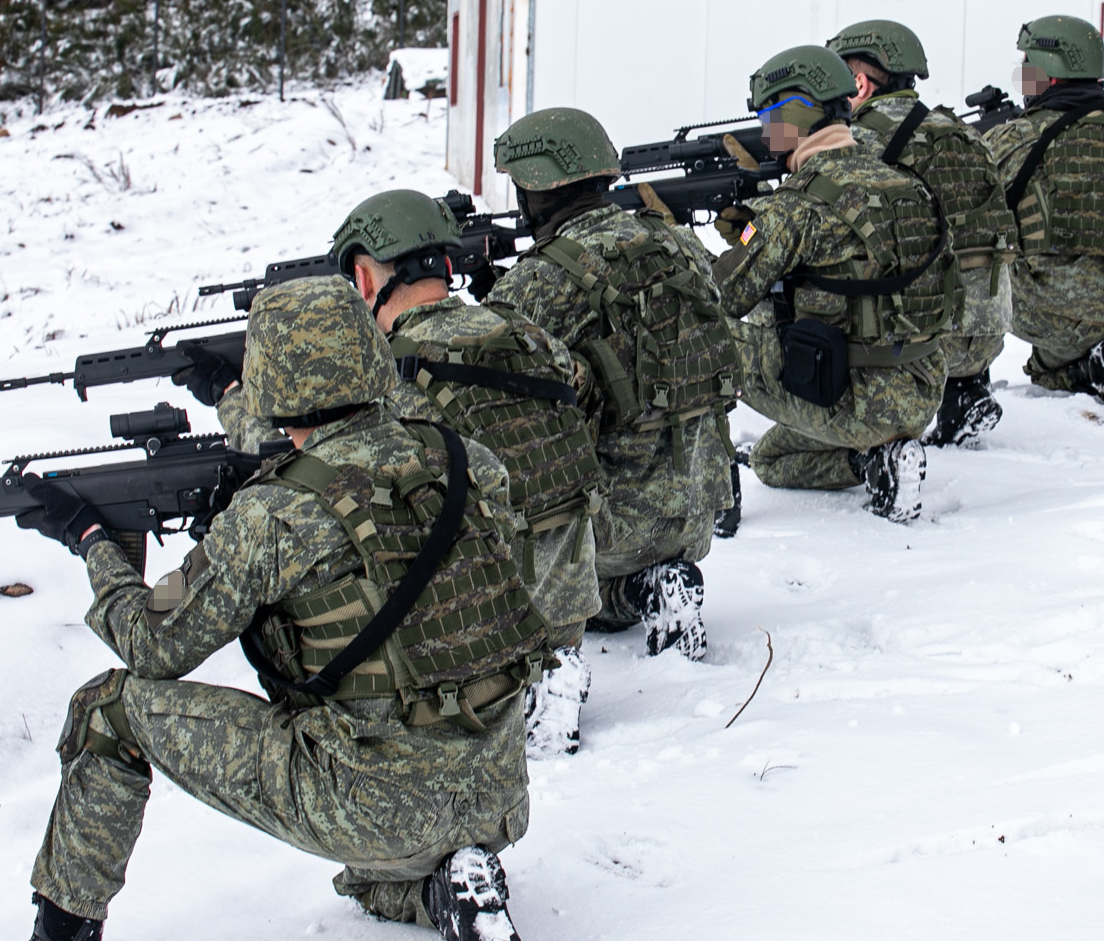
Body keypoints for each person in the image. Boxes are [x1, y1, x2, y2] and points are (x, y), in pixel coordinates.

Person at [0, 276, 548, 941]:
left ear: (270, 379)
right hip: (494, 785)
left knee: (111, 710)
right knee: (365, 881)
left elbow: (150, 641)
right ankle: (457, 881)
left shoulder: (270, 517)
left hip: (371, 798)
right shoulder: (468, 461)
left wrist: (93, 541)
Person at [330, 188, 606, 757]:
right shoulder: (522, 330)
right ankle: (555, 661)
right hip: (568, 590)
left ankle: (498, 684)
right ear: (448, 265)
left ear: (363, 280)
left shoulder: (383, 375)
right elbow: (578, 381)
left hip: (478, 620)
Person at [490, 108, 739, 662]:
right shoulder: (678, 244)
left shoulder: (536, 282)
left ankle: (625, 594)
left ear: (537, 189)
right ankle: (651, 587)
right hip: (698, 511)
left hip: (610, 529)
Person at [713, 45, 953, 523]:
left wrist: (673, 235)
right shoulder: (904, 181)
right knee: (770, 461)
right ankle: (879, 461)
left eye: (768, 116)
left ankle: (711, 490)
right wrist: (748, 228)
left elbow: (719, 297)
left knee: (701, 333)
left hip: (853, 397)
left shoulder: (795, 207)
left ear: (797, 112)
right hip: (921, 388)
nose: (763, 130)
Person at [828, 18, 1016, 447]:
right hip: (986, 335)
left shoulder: (855, 142)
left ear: (858, 84)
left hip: (921, 346)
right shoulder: (964, 132)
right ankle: (965, 393)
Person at [982, 15, 1104, 406]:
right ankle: (1089, 365)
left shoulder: (1012, 140)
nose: (1023, 81)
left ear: (1048, 73)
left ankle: (965, 382)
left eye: (1027, 71)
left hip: (1047, 312)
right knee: (1054, 365)